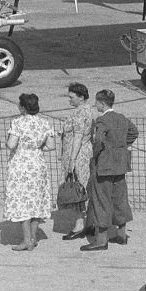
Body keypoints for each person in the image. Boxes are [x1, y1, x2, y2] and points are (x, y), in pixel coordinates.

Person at [83, 91, 137, 251]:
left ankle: (101, 240)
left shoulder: (102, 120)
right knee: (120, 199)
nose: (95, 105)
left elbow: (98, 140)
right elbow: (134, 132)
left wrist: (99, 153)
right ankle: (121, 235)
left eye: (97, 103)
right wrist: (120, 147)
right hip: (120, 165)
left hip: (105, 167)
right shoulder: (121, 118)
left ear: (102, 104)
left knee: (102, 201)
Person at [4, 92, 56, 251]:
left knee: (22, 202)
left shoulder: (18, 123)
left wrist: (10, 142)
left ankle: (26, 240)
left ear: (23, 107)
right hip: (38, 164)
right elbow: (51, 146)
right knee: (36, 202)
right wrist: (36, 148)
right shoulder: (45, 123)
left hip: (21, 165)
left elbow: (12, 145)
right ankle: (33, 238)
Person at [56, 83, 99, 240]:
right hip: (83, 153)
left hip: (78, 155)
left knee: (77, 190)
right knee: (82, 189)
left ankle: (80, 225)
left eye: (71, 97)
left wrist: (72, 160)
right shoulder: (86, 110)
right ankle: (89, 223)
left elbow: (78, 137)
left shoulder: (81, 113)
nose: (69, 100)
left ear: (81, 97)